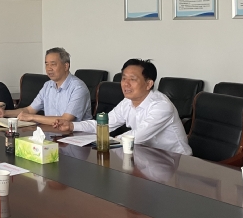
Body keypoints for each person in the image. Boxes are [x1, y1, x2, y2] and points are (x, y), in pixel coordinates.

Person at [53, 59, 192, 155]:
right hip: (146, 155)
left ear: (149, 84)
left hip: (175, 160)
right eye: (124, 78)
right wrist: (72, 126)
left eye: (133, 79)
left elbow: (138, 136)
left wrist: (106, 140)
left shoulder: (161, 106)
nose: (126, 84)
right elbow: (104, 124)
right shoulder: (127, 102)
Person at [0, 47, 92, 125]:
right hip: (52, 133)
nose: (49, 69)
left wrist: (33, 117)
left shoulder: (78, 88)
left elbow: (66, 120)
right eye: (46, 64)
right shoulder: (48, 85)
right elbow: (29, 110)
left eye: (53, 64)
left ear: (66, 66)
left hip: (76, 137)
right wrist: (5, 113)